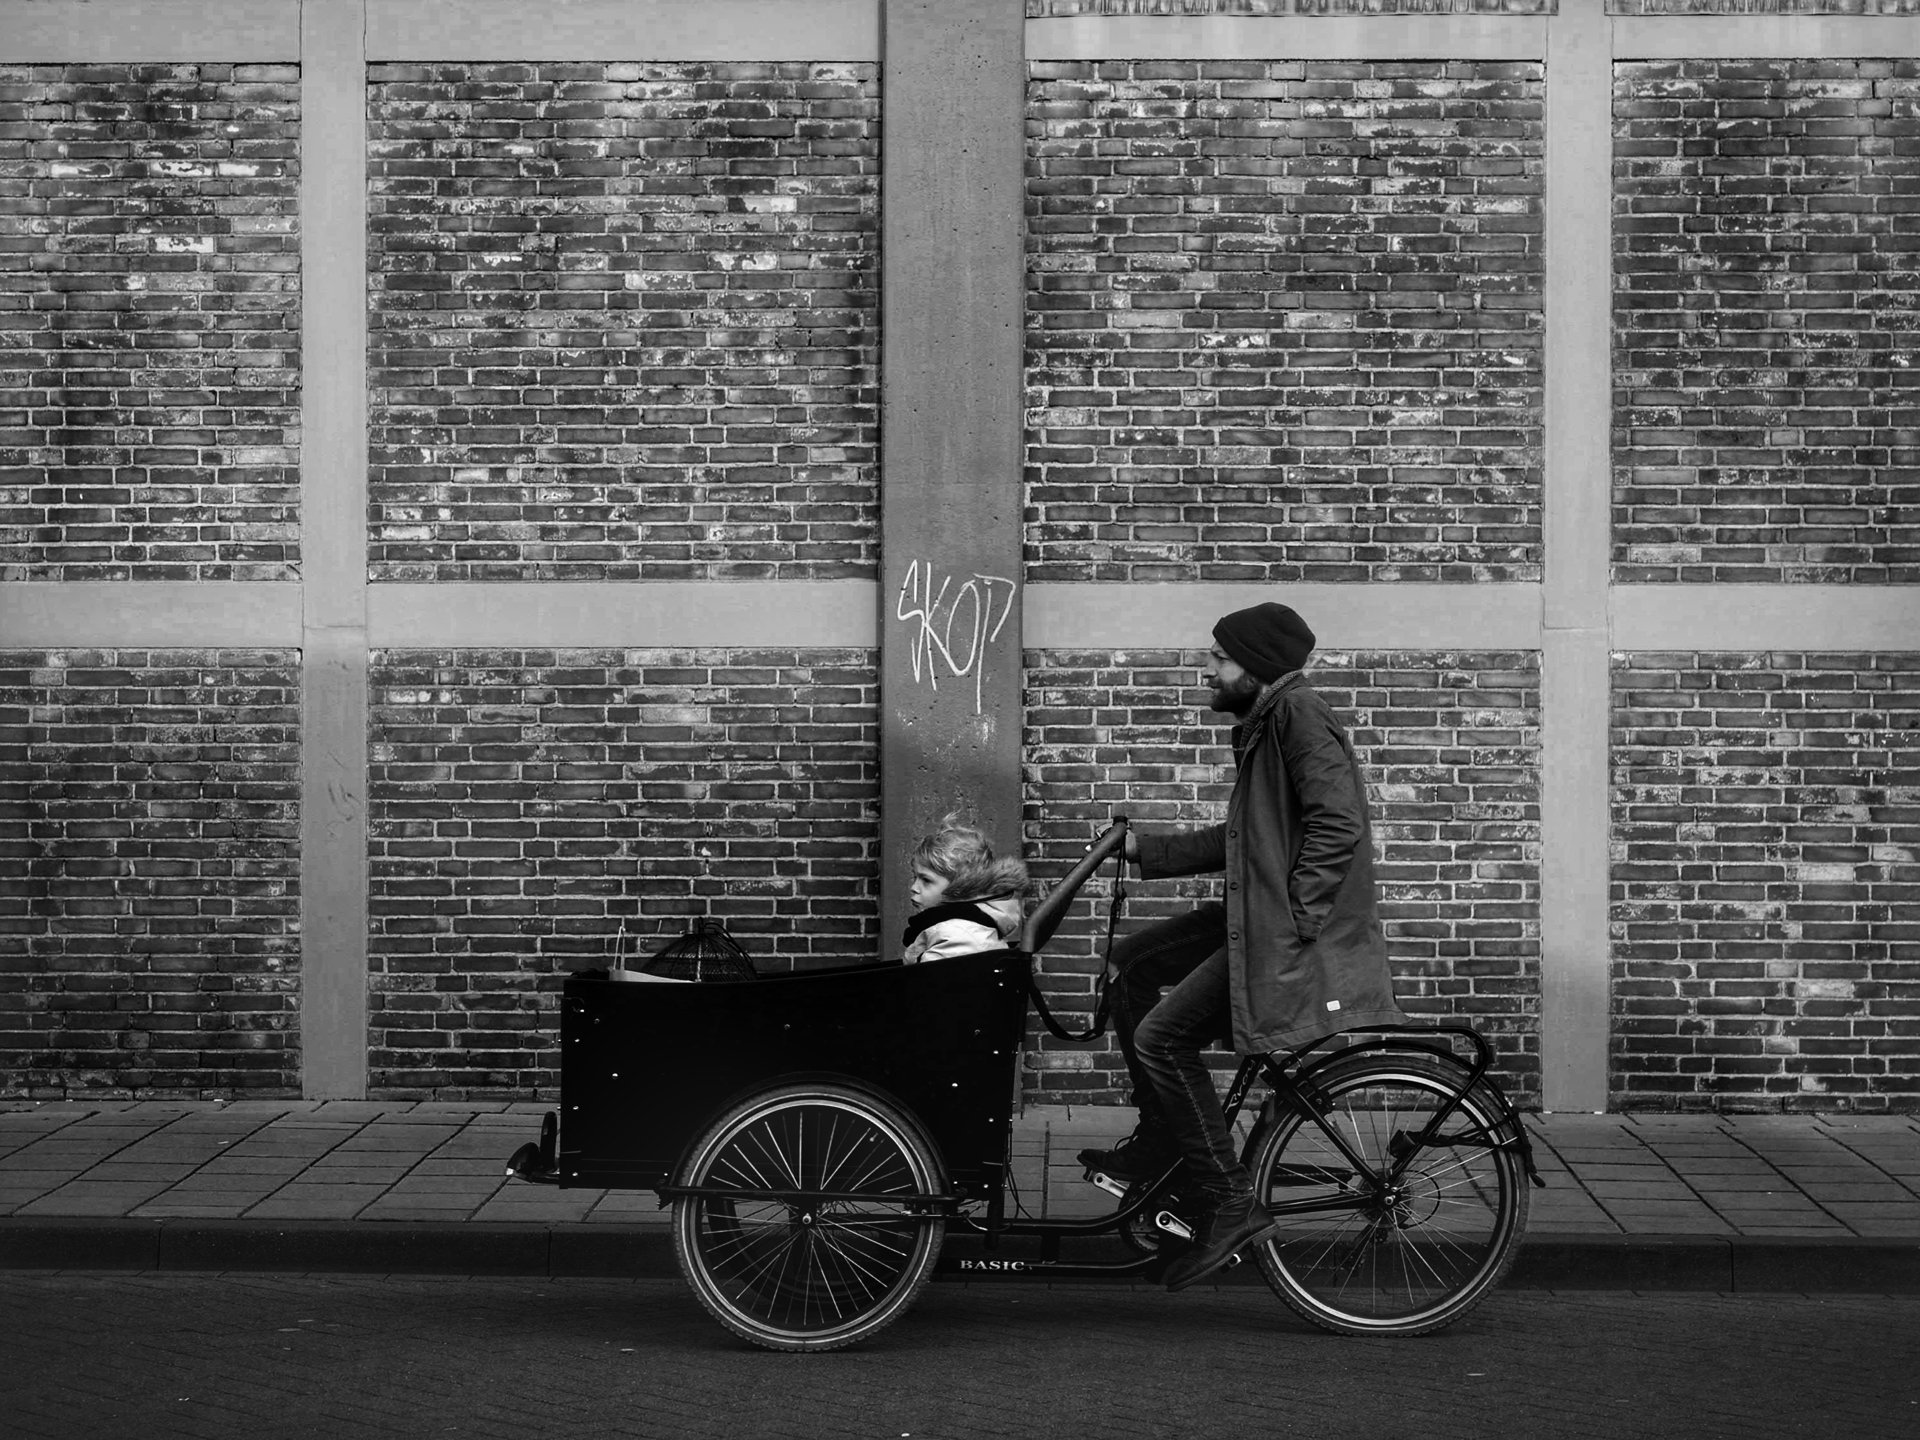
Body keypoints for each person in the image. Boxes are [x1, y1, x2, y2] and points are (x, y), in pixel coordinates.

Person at [1075, 601, 1406, 1291]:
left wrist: (1294, 921)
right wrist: (1144, 850)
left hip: (1277, 932)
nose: (1209, 667)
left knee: (1162, 1038)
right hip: (1253, 916)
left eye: (1220, 658)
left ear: (1255, 667)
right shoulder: (1266, 723)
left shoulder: (1296, 715)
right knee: (1130, 963)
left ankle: (1229, 1202)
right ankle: (1163, 1137)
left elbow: (1338, 825)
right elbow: (1240, 844)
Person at [902, 812, 1027, 964]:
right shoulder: (957, 927)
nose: (914, 887)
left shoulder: (957, 937)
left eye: (926, 880)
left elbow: (926, 985)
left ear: (959, 888)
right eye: (915, 877)